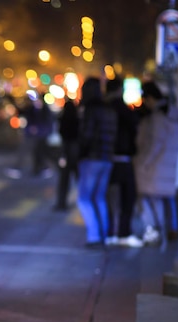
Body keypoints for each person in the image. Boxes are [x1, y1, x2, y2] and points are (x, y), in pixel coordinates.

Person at [133, 80, 178, 245]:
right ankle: (171, 229)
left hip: (156, 165)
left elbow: (155, 143)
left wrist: (143, 162)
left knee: (148, 197)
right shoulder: (173, 113)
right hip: (170, 163)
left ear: (150, 98)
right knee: (166, 198)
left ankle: (155, 230)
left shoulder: (158, 117)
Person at [76, 77, 117, 248]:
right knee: (99, 197)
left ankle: (94, 236)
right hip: (107, 158)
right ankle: (105, 235)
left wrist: (80, 153)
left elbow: (87, 135)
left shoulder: (91, 110)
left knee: (84, 198)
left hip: (92, 158)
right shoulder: (109, 109)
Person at [104, 77, 143, 247]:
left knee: (108, 198)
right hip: (123, 157)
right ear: (119, 90)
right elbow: (134, 126)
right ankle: (123, 232)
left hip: (106, 157)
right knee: (128, 196)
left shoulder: (104, 107)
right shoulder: (123, 108)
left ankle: (109, 232)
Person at [8, 93, 54, 178]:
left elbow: (48, 123)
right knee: (29, 151)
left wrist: (38, 130)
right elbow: (23, 114)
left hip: (40, 135)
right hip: (32, 135)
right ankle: (37, 169)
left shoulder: (45, 110)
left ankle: (42, 169)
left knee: (39, 153)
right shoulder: (32, 109)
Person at [54, 98, 79, 210]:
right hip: (75, 151)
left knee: (64, 179)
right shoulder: (77, 119)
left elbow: (60, 132)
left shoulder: (63, 119)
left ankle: (61, 202)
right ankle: (80, 200)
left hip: (66, 150)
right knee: (79, 178)